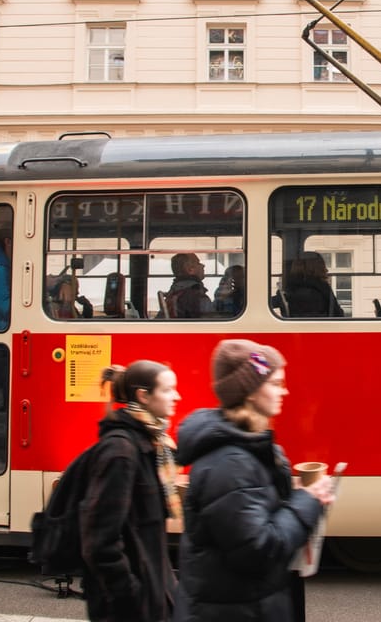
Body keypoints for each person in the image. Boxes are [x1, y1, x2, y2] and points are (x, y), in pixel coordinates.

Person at [174, 339, 335, 622]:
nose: (284, 391)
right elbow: (256, 551)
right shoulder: (230, 464)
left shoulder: (247, 451)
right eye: (276, 383)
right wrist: (307, 502)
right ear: (249, 392)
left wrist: (288, 495)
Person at [81, 360, 181, 622]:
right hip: (131, 608)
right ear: (143, 396)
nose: (177, 396)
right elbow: (100, 542)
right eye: (168, 390)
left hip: (154, 594)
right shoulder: (121, 452)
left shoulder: (151, 443)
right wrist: (130, 596)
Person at [283, 252, 344, 317]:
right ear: (316, 268)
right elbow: (336, 315)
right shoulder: (313, 293)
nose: (326, 270)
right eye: (322, 266)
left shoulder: (296, 289)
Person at [165, 253, 213, 318]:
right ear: (190, 270)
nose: (203, 265)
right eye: (198, 263)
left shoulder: (173, 292)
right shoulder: (196, 295)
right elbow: (213, 321)